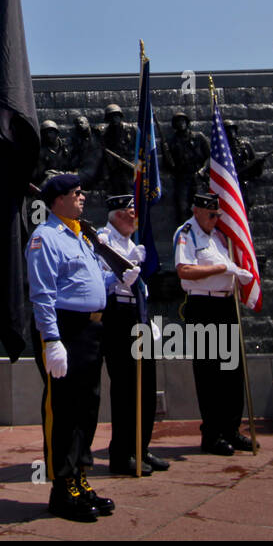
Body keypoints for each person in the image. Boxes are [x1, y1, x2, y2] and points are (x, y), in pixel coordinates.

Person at [27, 173, 125, 522]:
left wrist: (120, 278)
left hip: (90, 329)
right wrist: (52, 340)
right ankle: (61, 486)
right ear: (58, 200)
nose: (82, 197)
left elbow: (91, 279)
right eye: (76, 193)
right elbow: (43, 294)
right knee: (64, 410)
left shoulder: (81, 236)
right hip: (65, 330)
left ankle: (80, 477)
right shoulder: (45, 237)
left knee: (87, 406)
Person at [173, 193, 252, 455]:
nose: (215, 219)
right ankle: (212, 434)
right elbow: (184, 270)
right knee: (210, 373)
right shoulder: (187, 233)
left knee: (232, 370)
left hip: (225, 304)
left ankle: (232, 429)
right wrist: (220, 270)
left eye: (218, 215)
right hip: (203, 305)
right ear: (196, 211)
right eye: (211, 215)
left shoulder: (220, 236)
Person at [97, 195, 168, 477]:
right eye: (129, 211)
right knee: (126, 385)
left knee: (146, 384)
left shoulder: (132, 242)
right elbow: (97, 279)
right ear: (115, 214)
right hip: (118, 315)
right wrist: (118, 277)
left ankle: (141, 446)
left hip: (138, 312)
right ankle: (121, 452)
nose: (133, 216)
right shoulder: (103, 240)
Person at [164, 114, 209, 219]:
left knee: (202, 206)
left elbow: (210, 157)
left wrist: (203, 170)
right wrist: (167, 154)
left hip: (198, 177)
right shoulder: (171, 141)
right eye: (178, 121)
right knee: (183, 208)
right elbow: (168, 166)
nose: (181, 124)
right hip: (182, 178)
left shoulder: (199, 137)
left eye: (183, 121)